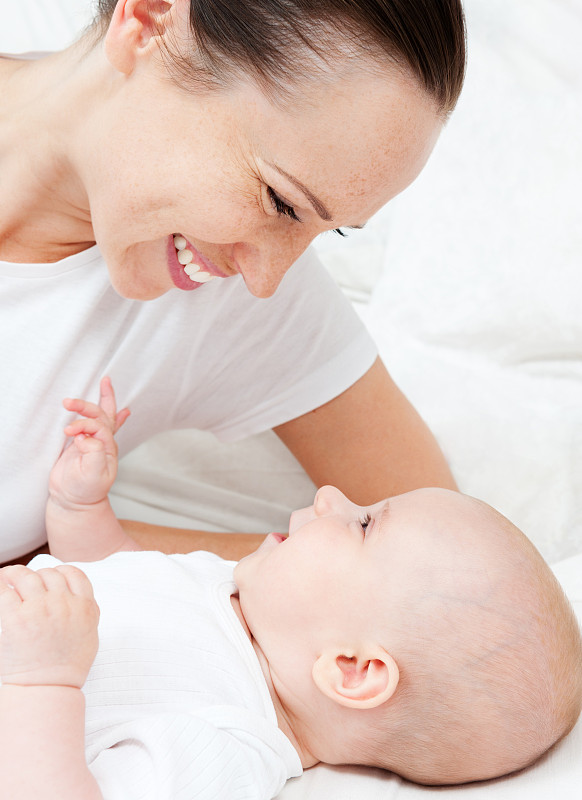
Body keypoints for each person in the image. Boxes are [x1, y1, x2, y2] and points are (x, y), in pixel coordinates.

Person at [0, 0, 467, 564]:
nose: (265, 280)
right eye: (279, 201)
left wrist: (78, 538)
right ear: (151, 20)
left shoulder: (235, 299)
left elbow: (431, 566)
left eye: (333, 231)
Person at [1, 381, 581, 799]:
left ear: (353, 669)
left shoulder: (227, 744)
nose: (330, 494)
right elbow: (117, 575)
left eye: (363, 523)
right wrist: (81, 506)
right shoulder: (226, 592)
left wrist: (39, 680)